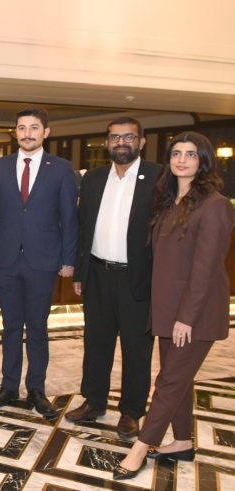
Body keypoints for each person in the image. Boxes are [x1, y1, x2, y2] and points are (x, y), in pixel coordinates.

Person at [114, 132, 234, 480]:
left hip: (195, 315)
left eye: (191, 154)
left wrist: (186, 318)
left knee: (167, 382)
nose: (182, 160)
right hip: (167, 309)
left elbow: (205, 268)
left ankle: (141, 447)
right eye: (176, 153)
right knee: (177, 378)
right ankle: (182, 440)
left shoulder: (215, 205)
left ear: (203, 161)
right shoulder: (169, 200)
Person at [66, 117, 161, 439]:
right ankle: (93, 402)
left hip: (138, 278)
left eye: (129, 137)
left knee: (137, 348)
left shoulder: (159, 178)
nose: (122, 142)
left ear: (141, 141)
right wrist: (80, 272)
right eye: (115, 137)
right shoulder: (93, 179)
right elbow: (83, 229)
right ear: (107, 142)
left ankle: (131, 412)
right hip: (97, 275)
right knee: (96, 343)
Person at [0, 107, 78, 417]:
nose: (27, 133)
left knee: (37, 328)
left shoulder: (61, 169)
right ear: (15, 132)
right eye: (21, 128)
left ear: (45, 132)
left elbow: (69, 218)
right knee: (10, 327)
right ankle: (8, 386)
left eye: (34, 127)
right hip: (5, 260)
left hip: (43, 261)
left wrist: (68, 259)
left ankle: (36, 388)